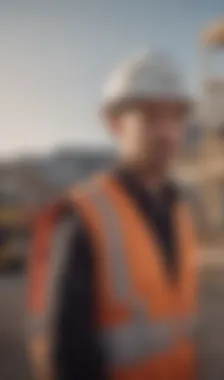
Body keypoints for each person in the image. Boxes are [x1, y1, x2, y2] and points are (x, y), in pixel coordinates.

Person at [26, 50, 198, 380]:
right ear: (114, 124)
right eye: (149, 116)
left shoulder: (179, 210)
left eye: (175, 116)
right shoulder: (84, 217)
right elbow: (65, 355)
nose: (166, 131)